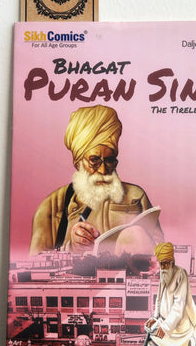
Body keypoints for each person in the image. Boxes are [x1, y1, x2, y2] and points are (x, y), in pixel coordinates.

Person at [29, 105, 163, 255]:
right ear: (78, 161)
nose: (103, 170)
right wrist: (71, 248)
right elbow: (34, 264)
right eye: (94, 160)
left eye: (110, 160)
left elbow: (161, 251)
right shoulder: (52, 206)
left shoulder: (136, 195)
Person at [144, 242, 196, 346]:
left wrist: (165, 327)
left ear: (172, 261)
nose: (164, 267)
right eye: (162, 264)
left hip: (182, 330)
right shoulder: (163, 274)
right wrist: (155, 317)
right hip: (167, 326)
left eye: (166, 263)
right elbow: (159, 299)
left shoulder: (181, 274)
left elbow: (179, 306)